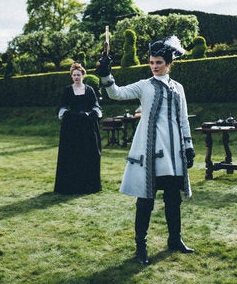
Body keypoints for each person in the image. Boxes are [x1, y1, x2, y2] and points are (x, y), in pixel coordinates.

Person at [96, 36, 195, 265]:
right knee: (145, 201)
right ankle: (141, 247)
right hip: (150, 152)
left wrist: (188, 146)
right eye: (151, 62)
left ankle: (175, 239)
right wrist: (105, 73)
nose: (154, 66)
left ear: (169, 63)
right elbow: (116, 93)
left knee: (173, 199)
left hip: (173, 153)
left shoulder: (178, 88)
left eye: (159, 62)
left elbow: (183, 119)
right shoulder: (144, 86)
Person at [54, 62, 103, 195]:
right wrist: (71, 115)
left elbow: (96, 105)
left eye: (78, 75)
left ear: (83, 75)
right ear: (71, 76)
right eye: (74, 75)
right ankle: (71, 186)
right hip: (72, 127)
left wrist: (90, 114)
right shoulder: (67, 90)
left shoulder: (89, 90)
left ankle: (89, 185)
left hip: (87, 126)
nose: (76, 77)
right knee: (72, 155)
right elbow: (62, 107)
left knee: (88, 153)